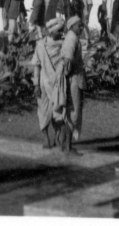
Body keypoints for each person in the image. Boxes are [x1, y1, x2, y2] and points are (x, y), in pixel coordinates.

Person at [30, 16, 69, 149]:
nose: (61, 33)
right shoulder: (40, 45)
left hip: (57, 84)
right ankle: (46, 138)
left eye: (62, 31)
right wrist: (36, 85)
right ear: (52, 32)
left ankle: (58, 136)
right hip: (42, 84)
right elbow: (37, 65)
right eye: (59, 31)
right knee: (43, 112)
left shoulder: (64, 45)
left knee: (58, 111)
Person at [61, 16, 86, 150]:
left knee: (71, 111)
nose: (81, 28)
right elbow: (67, 60)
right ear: (72, 26)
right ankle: (68, 146)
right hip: (74, 79)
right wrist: (67, 75)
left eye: (82, 25)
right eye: (79, 26)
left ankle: (65, 144)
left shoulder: (72, 37)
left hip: (75, 78)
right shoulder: (72, 39)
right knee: (74, 112)